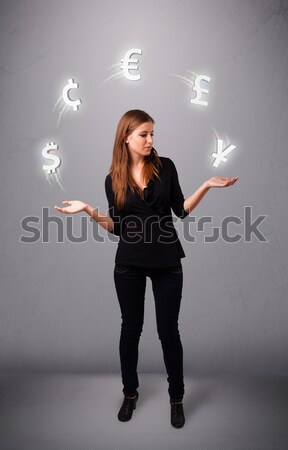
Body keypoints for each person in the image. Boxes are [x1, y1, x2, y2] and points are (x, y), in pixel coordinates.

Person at [54, 109, 238, 428]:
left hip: (167, 261)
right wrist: (87, 209)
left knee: (168, 332)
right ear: (126, 137)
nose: (150, 140)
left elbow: (180, 211)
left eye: (153, 134)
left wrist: (207, 184)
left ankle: (176, 399)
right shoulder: (113, 179)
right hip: (129, 264)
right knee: (131, 330)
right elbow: (117, 227)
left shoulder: (166, 167)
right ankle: (130, 395)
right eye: (144, 134)